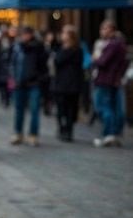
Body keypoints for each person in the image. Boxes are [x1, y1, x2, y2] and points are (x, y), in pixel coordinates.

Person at [8, 26, 48, 146]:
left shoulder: (38, 47)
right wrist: (12, 78)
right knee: (19, 109)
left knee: (34, 110)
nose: (24, 36)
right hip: (19, 83)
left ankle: (33, 134)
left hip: (33, 83)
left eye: (26, 34)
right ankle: (17, 133)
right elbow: (11, 63)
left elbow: (43, 66)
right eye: (22, 34)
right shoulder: (16, 47)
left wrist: (38, 78)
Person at [91, 19, 128, 147]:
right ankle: (115, 133)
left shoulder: (113, 44)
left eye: (105, 29)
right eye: (102, 29)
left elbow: (102, 62)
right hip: (114, 80)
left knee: (103, 106)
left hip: (105, 79)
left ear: (112, 30)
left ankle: (109, 133)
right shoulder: (120, 44)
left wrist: (95, 58)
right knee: (114, 107)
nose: (103, 31)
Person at [51, 25, 84, 142]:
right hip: (61, 82)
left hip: (72, 83)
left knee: (71, 108)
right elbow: (56, 61)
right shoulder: (60, 47)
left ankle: (68, 130)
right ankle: (62, 128)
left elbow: (59, 60)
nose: (62, 35)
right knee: (60, 108)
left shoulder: (77, 50)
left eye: (65, 33)